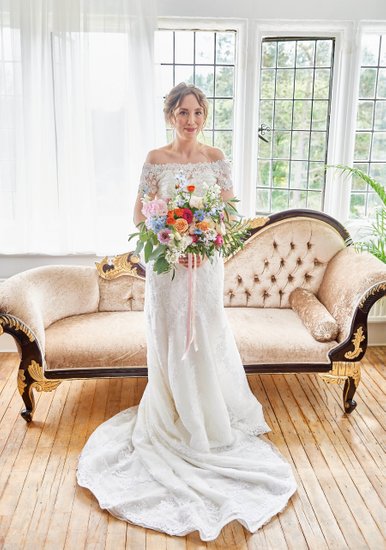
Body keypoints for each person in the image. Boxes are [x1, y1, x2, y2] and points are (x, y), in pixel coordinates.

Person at [76, 82, 297, 541]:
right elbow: (140, 215)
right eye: (182, 112)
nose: (190, 119)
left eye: (197, 112)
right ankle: (174, 409)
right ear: (169, 115)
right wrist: (172, 241)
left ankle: (208, 411)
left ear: (205, 115)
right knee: (172, 336)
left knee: (206, 331)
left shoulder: (216, 158)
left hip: (206, 266)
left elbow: (228, 216)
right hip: (167, 268)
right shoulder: (155, 160)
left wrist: (202, 237)